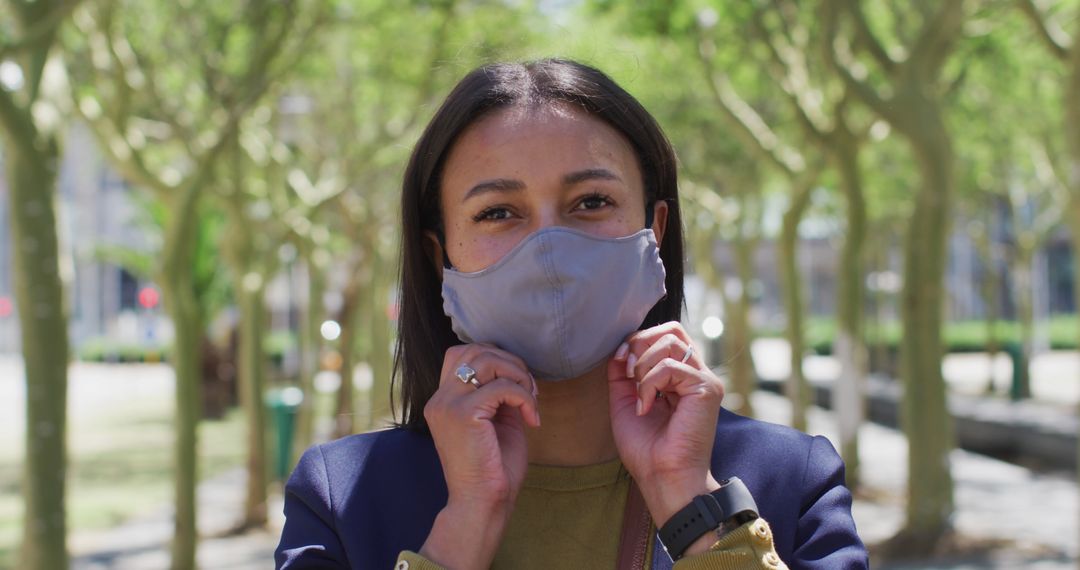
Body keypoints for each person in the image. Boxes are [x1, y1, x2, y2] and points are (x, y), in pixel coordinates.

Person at [275, 59, 868, 570]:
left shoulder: (794, 481)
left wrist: (696, 509)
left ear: (653, 232)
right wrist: (464, 526)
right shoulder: (341, 499)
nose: (550, 251)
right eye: (497, 212)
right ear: (439, 255)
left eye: (591, 202)